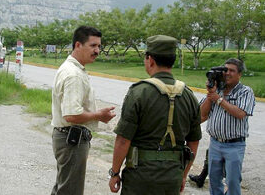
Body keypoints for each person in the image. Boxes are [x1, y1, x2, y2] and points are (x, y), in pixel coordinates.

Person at [108, 35, 202, 195]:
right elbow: (193, 143)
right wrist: (183, 175)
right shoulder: (189, 96)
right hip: (172, 176)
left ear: (150, 60)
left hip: (140, 176)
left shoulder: (139, 93)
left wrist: (115, 173)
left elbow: (123, 140)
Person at [51, 25, 116, 195]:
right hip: (71, 139)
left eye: (99, 46)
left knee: (63, 187)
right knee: (69, 190)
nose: (97, 50)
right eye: (93, 46)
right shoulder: (74, 75)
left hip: (68, 138)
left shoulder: (73, 69)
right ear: (78, 45)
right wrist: (99, 115)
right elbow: (71, 115)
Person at [200, 58, 255, 195]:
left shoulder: (245, 91)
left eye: (232, 71)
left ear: (239, 74)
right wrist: (210, 95)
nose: (227, 73)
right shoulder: (216, 90)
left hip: (234, 145)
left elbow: (241, 113)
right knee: (214, 180)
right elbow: (202, 114)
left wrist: (218, 99)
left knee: (232, 181)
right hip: (215, 144)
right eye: (225, 70)